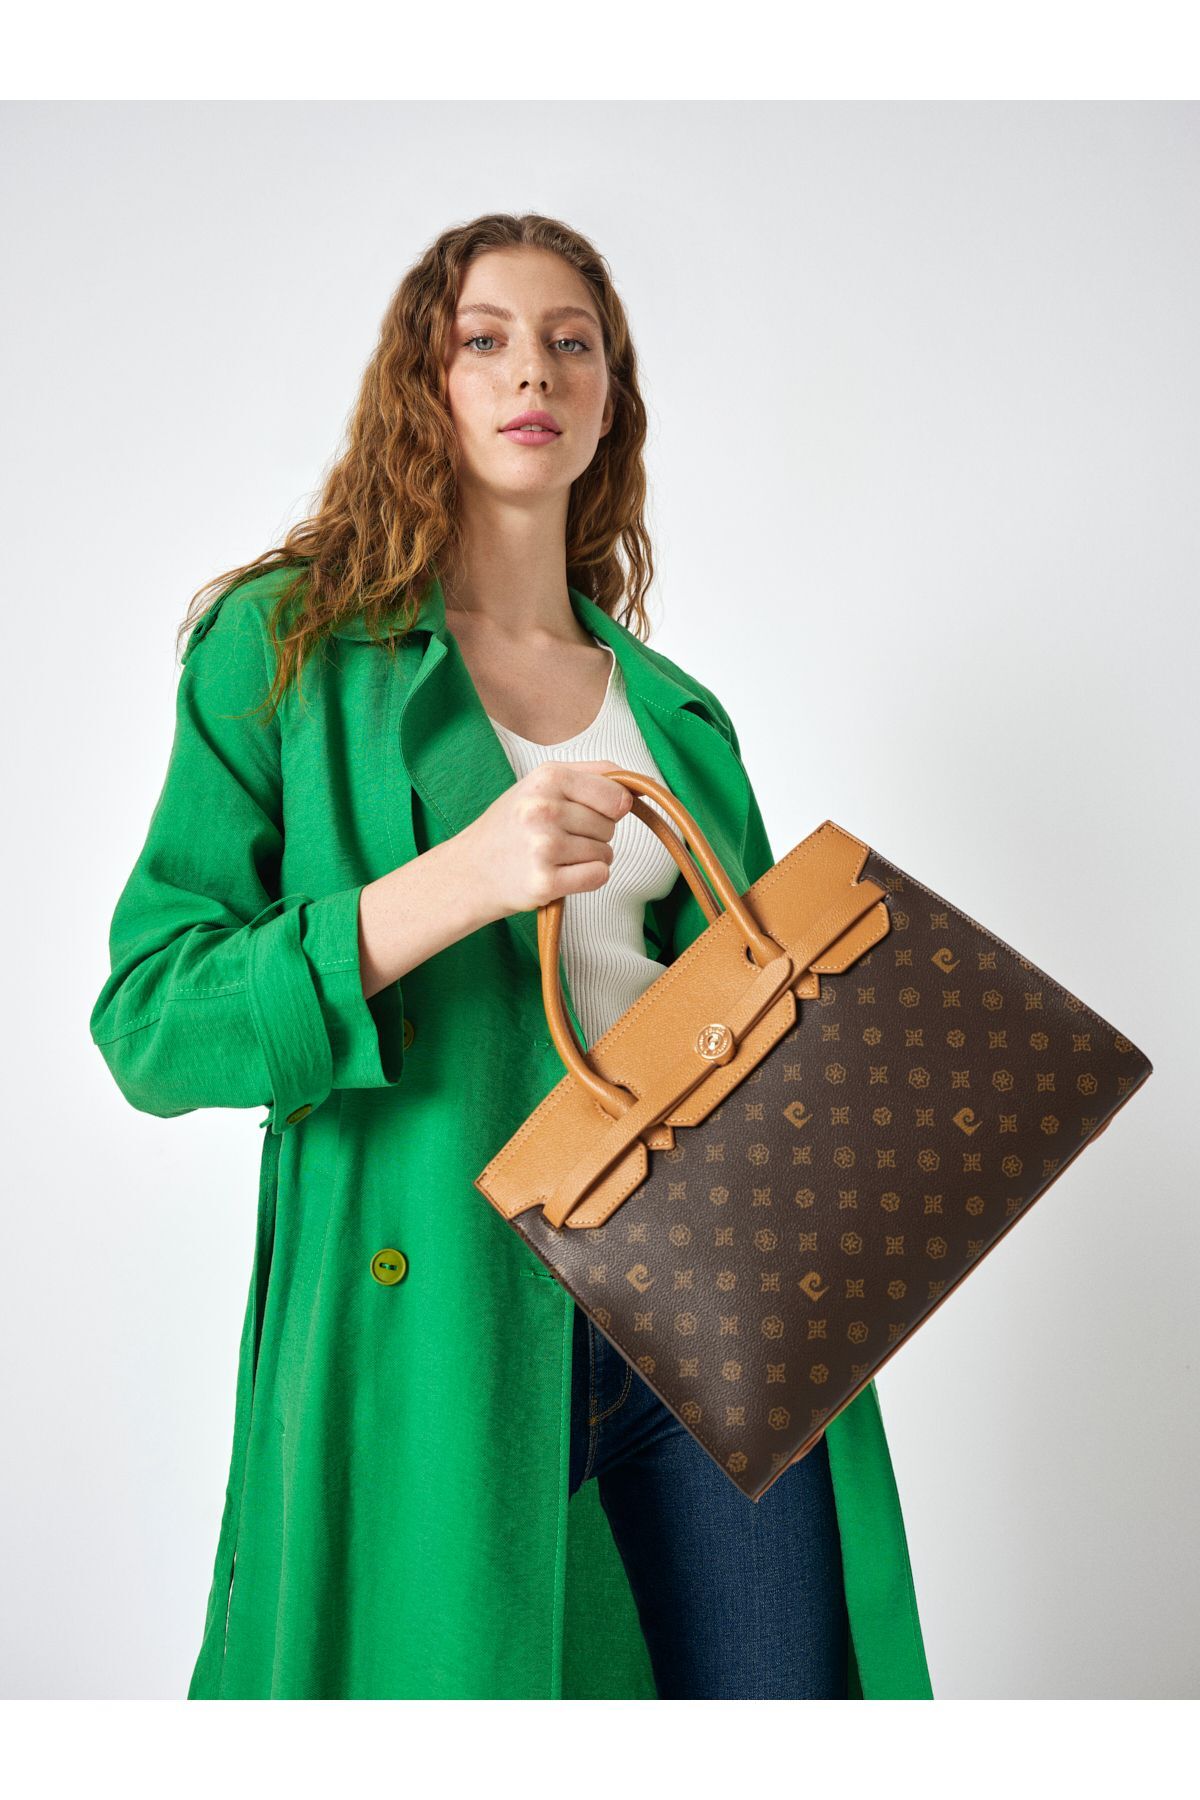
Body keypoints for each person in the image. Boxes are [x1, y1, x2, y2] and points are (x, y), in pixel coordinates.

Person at [89, 212, 933, 1700]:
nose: (531, 369)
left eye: (570, 342)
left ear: (610, 401)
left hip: (709, 1290)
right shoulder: (288, 649)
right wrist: (456, 883)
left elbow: (744, 1035)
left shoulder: (679, 718)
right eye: (484, 338)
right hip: (440, 1294)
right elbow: (152, 1025)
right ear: (423, 384)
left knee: (788, 1709)